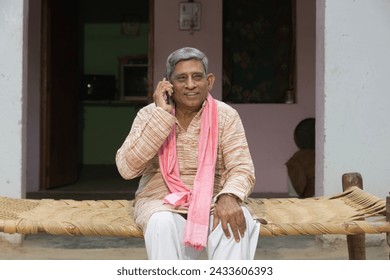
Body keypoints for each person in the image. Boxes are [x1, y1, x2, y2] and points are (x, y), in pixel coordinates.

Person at [116, 47, 260, 260]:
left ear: (209, 81)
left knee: (237, 220)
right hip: (161, 202)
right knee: (161, 222)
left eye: (197, 77)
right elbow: (127, 169)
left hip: (213, 201)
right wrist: (161, 117)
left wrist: (229, 196)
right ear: (168, 84)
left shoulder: (226, 116)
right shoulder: (149, 115)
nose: (190, 85)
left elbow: (242, 168)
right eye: (182, 78)